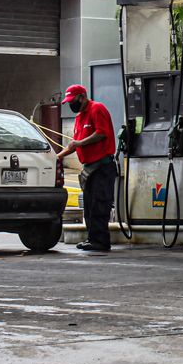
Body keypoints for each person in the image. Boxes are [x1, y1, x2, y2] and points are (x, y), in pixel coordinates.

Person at [56, 84, 117, 252]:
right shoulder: (79, 117)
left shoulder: (97, 109)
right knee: (89, 206)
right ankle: (92, 238)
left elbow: (102, 133)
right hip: (89, 168)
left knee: (100, 204)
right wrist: (56, 157)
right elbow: (73, 145)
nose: (71, 105)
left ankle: (101, 240)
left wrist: (80, 143)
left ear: (83, 97)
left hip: (102, 167)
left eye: (73, 101)